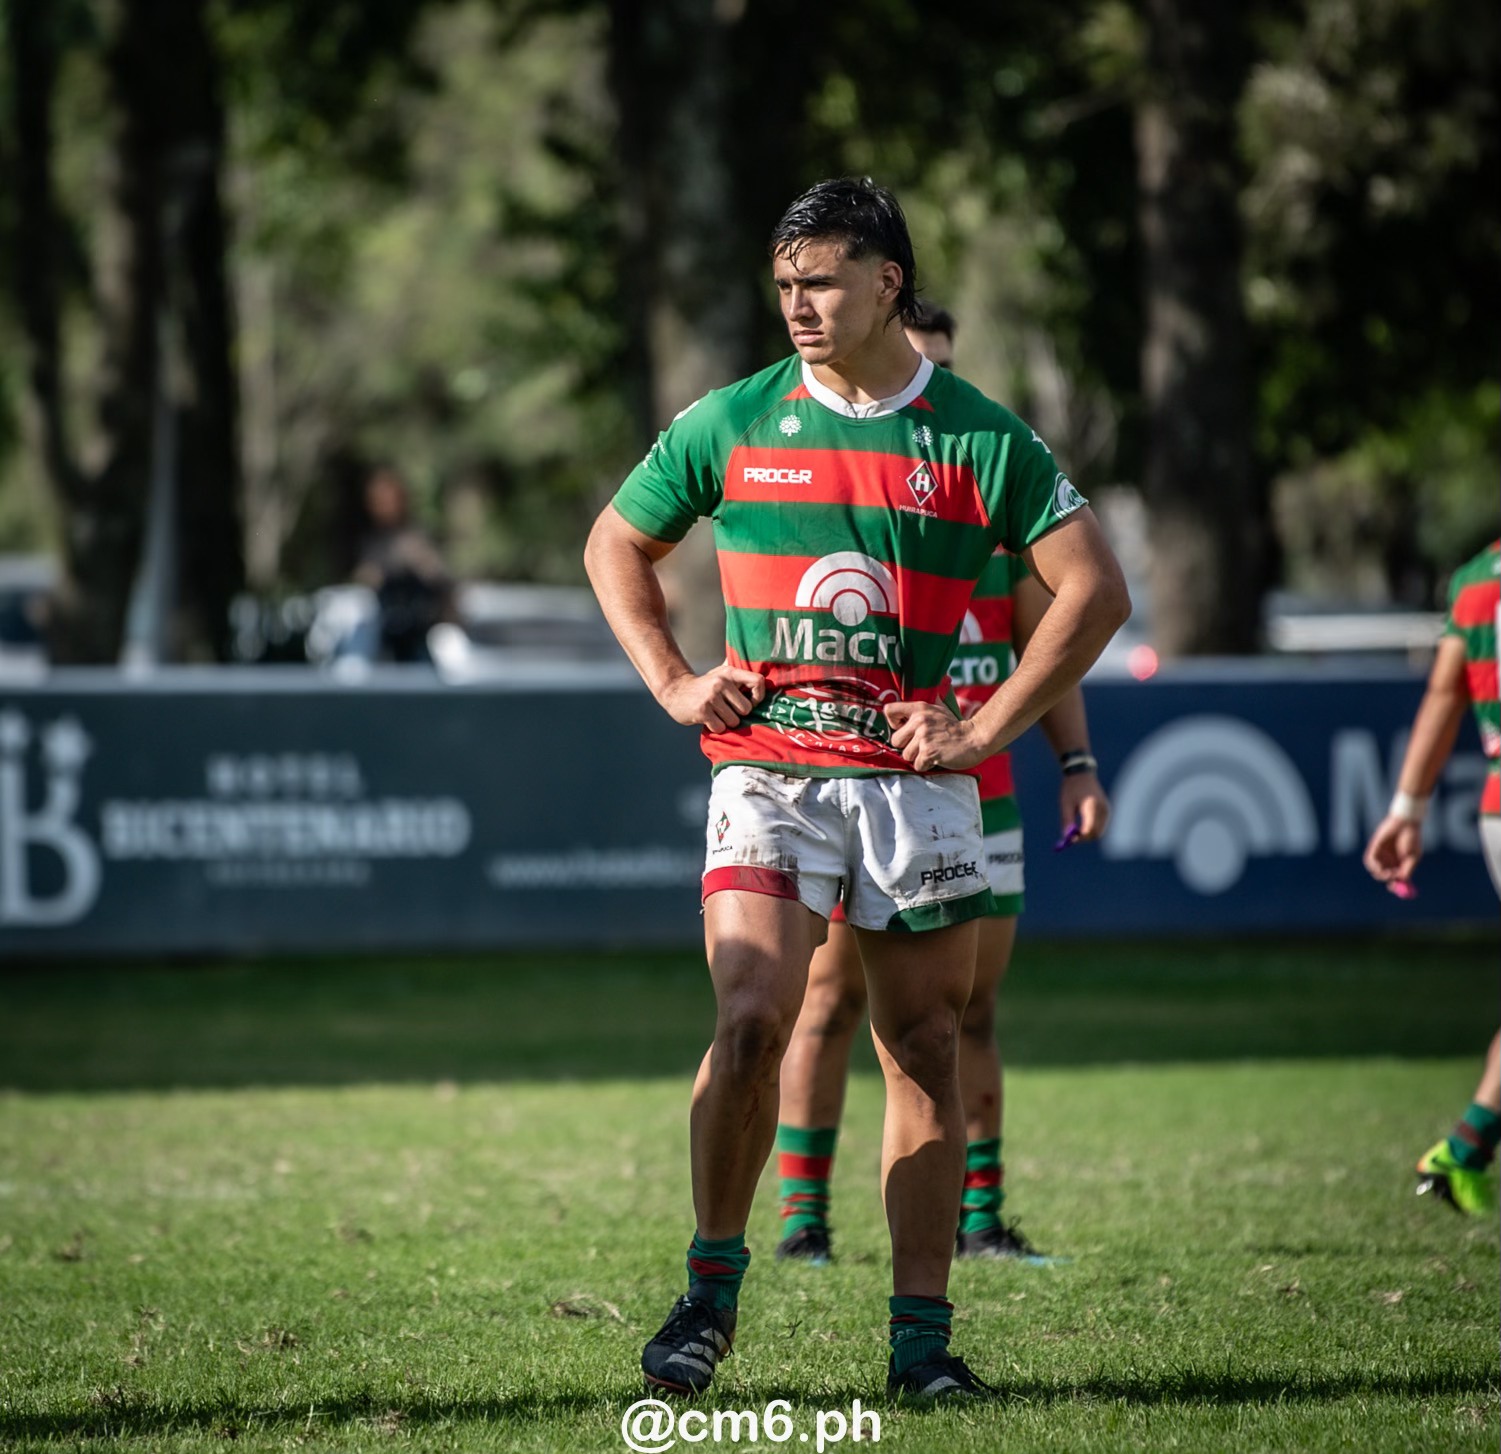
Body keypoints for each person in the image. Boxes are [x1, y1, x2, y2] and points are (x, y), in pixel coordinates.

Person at [584, 177, 1130, 1402]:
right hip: (767, 771)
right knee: (750, 1017)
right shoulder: (733, 419)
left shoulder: (982, 434)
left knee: (925, 1042)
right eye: (784, 285)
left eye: (821, 281)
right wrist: (675, 679)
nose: (798, 306)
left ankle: (920, 1341)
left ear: (889, 282)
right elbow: (614, 542)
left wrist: (988, 721)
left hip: (912, 782)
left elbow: (1093, 589)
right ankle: (708, 1292)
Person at [774, 302, 1110, 1269]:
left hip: (984, 791)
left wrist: (1075, 764)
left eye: (948, 363)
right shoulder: (853, 494)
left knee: (967, 1014)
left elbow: (1046, 639)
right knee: (830, 1002)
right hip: (862, 785)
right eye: (924, 357)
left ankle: (980, 1222)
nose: (936, 380)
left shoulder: (993, 500)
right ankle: (803, 1224)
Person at [1364, 538, 1500, 1219]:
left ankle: (1466, 1145)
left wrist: (1406, 809)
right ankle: (1465, 1145)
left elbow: (1445, 691)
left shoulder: (1476, 575)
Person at [351, 466, 455, 664]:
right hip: (383, 637)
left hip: (421, 636)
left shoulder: (415, 539)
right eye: (375, 501)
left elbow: (441, 580)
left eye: (386, 499)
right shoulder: (372, 541)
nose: (380, 506)